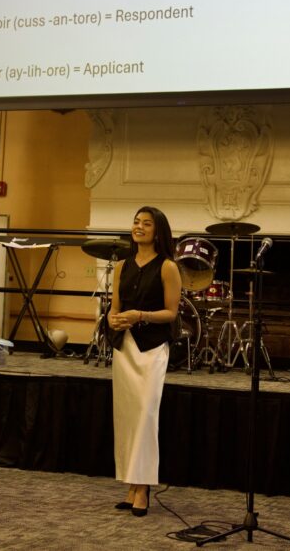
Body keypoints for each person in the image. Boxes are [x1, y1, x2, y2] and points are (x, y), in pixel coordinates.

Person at [108, 206, 180, 516]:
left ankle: (144, 487)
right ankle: (131, 484)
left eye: (146, 223)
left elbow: (171, 313)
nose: (139, 227)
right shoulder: (121, 266)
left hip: (151, 349)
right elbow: (114, 308)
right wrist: (112, 320)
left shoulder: (168, 267)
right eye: (136, 222)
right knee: (126, 417)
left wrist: (141, 316)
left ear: (158, 231)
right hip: (124, 349)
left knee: (146, 417)